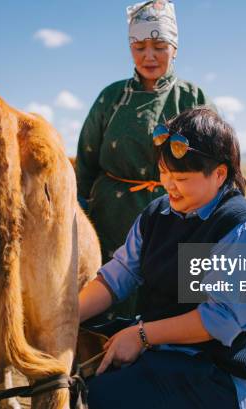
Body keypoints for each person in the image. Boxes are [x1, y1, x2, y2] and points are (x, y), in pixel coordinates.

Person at [79, 108, 246, 409]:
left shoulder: (241, 230)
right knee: (81, 378)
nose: (168, 185)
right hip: (164, 353)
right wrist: (67, 317)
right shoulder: (158, 214)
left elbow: (221, 320)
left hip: (217, 373)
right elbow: (120, 274)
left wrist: (143, 335)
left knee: (107, 396)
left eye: (181, 177)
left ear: (219, 174)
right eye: (163, 172)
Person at [75, 0, 212, 285]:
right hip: (110, 218)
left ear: (175, 49)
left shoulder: (193, 99)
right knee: (107, 294)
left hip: (176, 217)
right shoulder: (111, 98)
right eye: (139, 48)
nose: (149, 56)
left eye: (160, 47)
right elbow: (86, 161)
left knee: (165, 299)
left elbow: (213, 164)